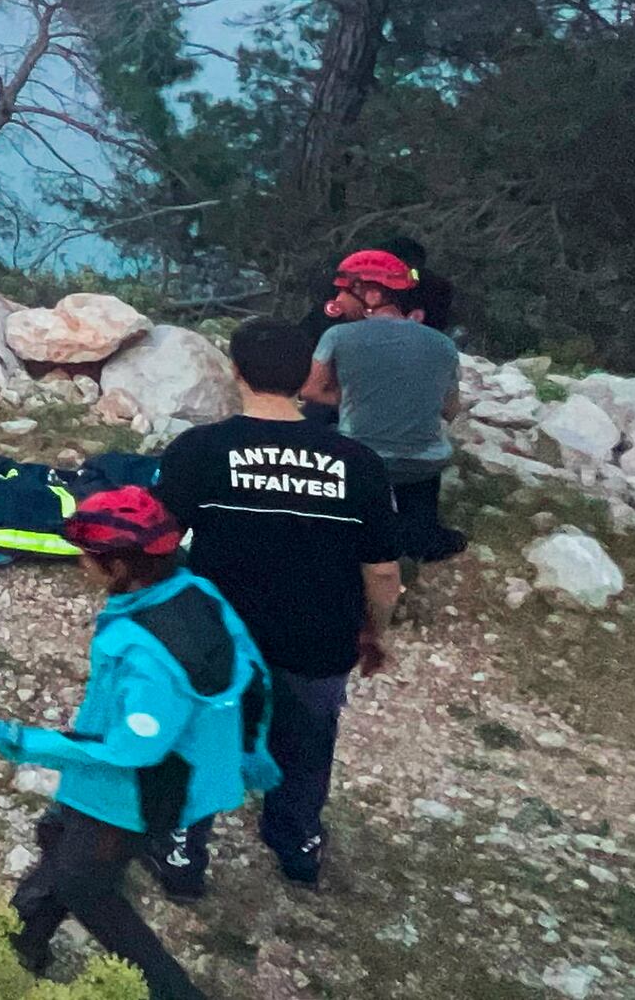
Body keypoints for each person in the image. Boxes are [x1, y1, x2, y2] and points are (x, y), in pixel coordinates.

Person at [0, 488, 276, 1000]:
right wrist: (252, 753)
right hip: (171, 767)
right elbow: (253, 674)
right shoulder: (197, 592)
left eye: (88, 556)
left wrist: (29, 743)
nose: (80, 563)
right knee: (61, 835)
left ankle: (172, 991)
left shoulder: (146, 652)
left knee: (85, 886)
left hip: (137, 788)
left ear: (119, 566)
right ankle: (21, 940)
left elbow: (130, 750)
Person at [152, 317, 400, 895]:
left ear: (235, 370)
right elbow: (383, 571)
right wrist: (374, 632)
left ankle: (185, 856)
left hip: (220, 640)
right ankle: (298, 845)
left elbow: (156, 545)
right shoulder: (358, 462)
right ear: (307, 376)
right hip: (318, 640)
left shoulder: (200, 450)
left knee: (204, 739)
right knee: (307, 743)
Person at [304, 249, 466, 563]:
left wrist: (350, 397)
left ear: (372, 295)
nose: (339, 299)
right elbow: (450, 410)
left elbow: (311, 390)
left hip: (360, 461)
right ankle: (422, 537)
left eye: (345, 291)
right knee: (418, 485)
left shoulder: (337, 335)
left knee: (315, 423)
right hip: (423, 464)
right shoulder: (443, 344)